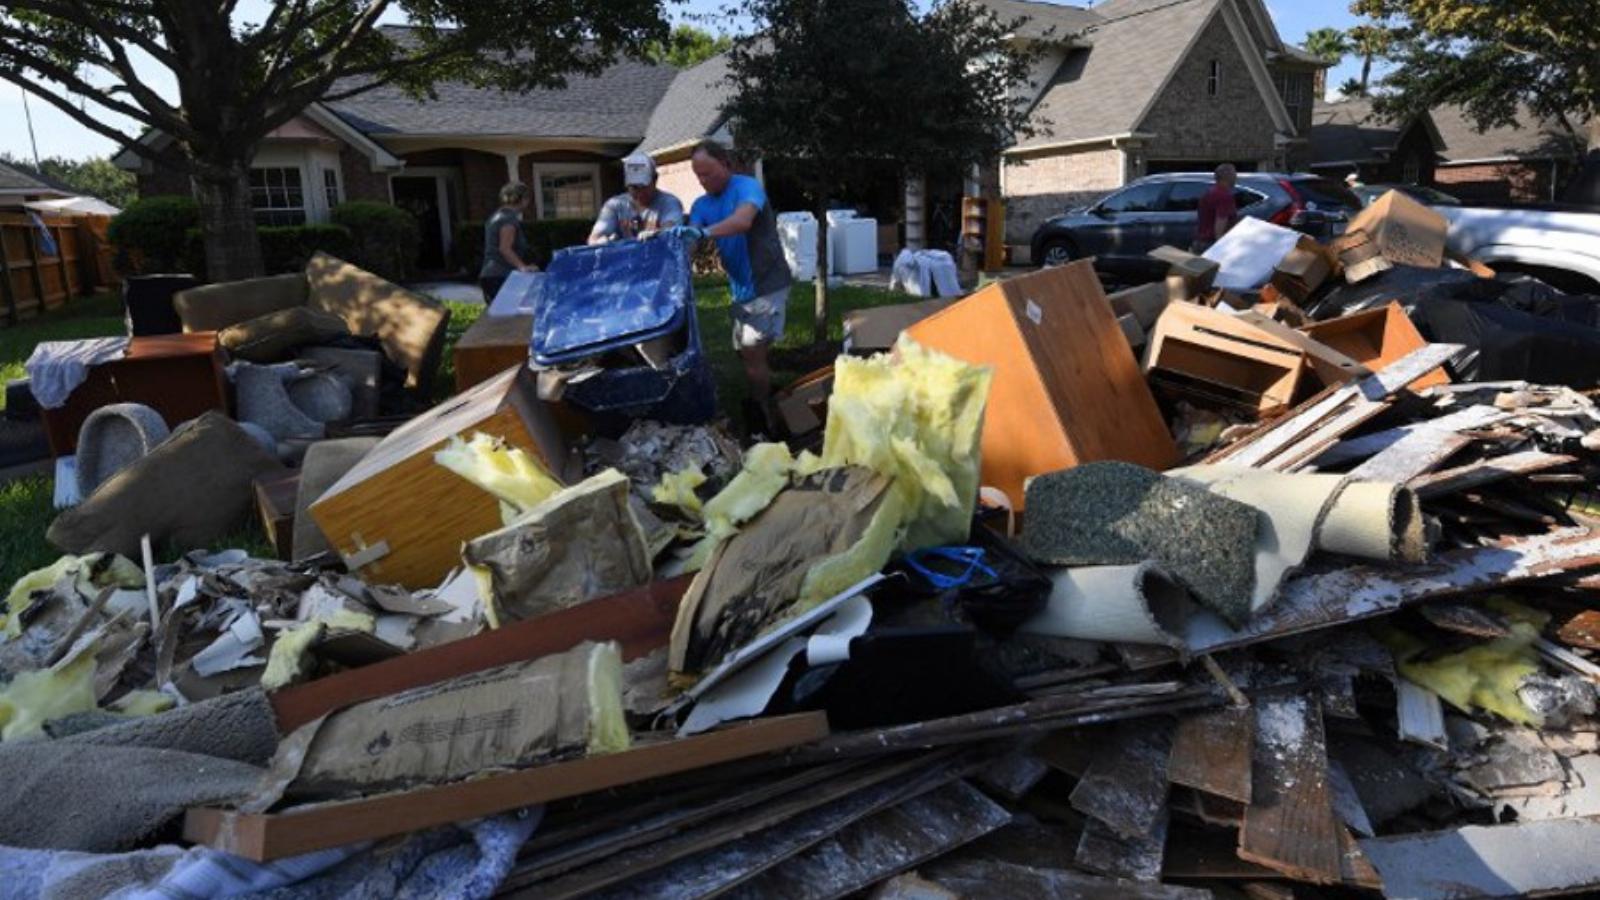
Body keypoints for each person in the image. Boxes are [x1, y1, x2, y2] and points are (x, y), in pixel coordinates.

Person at [668, 140, 793, 416]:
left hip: (767, 285)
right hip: (742, 290)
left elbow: (742, 221)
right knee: (745, 353)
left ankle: (764, 414)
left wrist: (704, 233)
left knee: (751, 353)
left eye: (708, 173)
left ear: (726, 164)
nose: (703, 180)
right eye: (697, 175)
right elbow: (691, 243)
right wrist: (678, 248)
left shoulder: (747, 187)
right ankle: (771, 392)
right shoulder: (701, 204)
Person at [588, 153, 684, 244]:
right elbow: (593, 239)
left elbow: (671, 229)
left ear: (655, 180)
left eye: (644, 186)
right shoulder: (614, 205)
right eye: (634, 187)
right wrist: (602, 241)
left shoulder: (669, 202)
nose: (640, 193)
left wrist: (658, 234)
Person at [479, 182, 537, 302]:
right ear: (522, 199)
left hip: (490, 275)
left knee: (498, 318)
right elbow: (505, 248)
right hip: (500, 277)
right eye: (527, 199)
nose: (527, 203)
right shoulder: (508, 219)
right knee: (508, 318)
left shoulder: (496, 216)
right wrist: (523, 268)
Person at [1192, 163, 1240, 253]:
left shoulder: (1210, 192)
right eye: (1234, 175)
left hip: (1200, 242)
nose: (1236, 178)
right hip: (1211, 244)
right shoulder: (1224, 196)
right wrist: (1221, 249)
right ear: (1228, 177)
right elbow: (1220, 225)